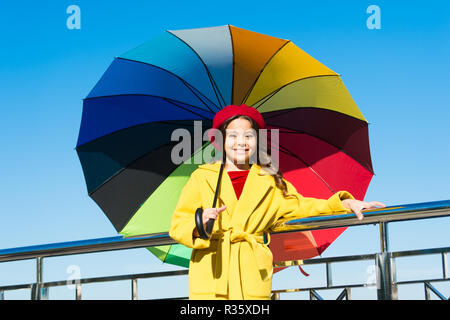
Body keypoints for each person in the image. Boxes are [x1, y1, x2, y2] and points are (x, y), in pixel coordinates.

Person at [169, 104, 385, 300]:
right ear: (221, 140)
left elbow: (302, 206)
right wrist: (200, 223)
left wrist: (344, 203)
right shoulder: (202, 177)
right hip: (211, 273)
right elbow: (178, 225)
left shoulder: (269, 180)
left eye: (249, 136)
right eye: (233, 135)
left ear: (258, 140)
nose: (241, 142)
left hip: (251, 274)